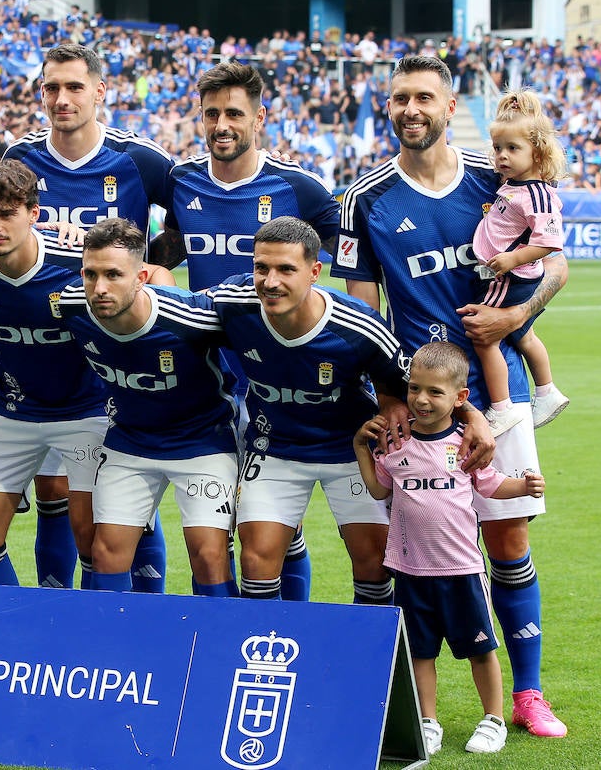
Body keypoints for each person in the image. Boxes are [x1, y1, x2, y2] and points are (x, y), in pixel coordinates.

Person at [333, 54, 568, 738]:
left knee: (508, 537)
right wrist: (389, 397)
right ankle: (419, 700)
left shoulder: (498, 177)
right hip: (422, 406)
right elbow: (362, 313)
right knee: (421, 545)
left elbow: (557, 263)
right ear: (389, 106)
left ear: (449, 105)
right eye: (400, 97)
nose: (411, 109)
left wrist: (515, 316)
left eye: (424, 97)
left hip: (498, 391)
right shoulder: (364, 198)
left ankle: (526, 695)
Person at [154, 60, 342, 599]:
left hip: (277, 380)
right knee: (216, 524)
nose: (221, 125)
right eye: (211, 113)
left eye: (234, 113)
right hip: (208, 380)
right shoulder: (182, 181)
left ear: (259, 119)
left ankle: (285, 629)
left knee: (279, 525)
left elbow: (353, 263)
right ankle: (229, 629)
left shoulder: (299, 189)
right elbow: (166, 252)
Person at [2, 42, 178, 591]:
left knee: (128, 495)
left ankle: (140, 614)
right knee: (54, 489)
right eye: (51, 87)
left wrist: (150, 270)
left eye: (74, 86)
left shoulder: (140, 159)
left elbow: (184, 224)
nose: (62, 98)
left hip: (116, 354)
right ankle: (60, 610)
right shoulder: (19, 158)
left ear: (100, 91)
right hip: (44, 349)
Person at [355, 342, 546, 756]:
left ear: (460, 397)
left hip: (461, 570)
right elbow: (378, 489)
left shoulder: (464, 444)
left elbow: (492, 486)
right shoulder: (395, 444)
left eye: (435, 392)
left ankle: (493, 719)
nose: (421, 400)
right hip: (410, 571)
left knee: (481, 650)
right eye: (414, 388)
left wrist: (524, 486)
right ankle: (427, 722)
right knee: (420, 653)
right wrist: (360, 449)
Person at [210, 218, 406, 604]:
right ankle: (267, 642)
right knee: (256, 561)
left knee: (375, 564)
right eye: (261, 267)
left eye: (286, 269)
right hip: (274, 447)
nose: (270, 281)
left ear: (315, 272)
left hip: (350, 452)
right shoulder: (233, 303)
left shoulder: (359, 326)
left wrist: (394, 403)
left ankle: (365, 645)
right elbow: (172, 312)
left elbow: (402, 385)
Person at [0, 161, 105, 588]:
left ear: (34, 213)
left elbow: (150, 277)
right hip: (15, 410)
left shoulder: (77, 260)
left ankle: (92, 625)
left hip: (88, 410)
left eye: (6, 214)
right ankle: (15, 621)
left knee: (93, 536)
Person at [58, 218, 238, 597]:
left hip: (203, 442)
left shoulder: (192, 317)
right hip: (130, 441)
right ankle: (115, 634)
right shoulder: (72, 307)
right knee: (105, 553)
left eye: (113, 275)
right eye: (90, 274)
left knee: (209, 556)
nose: (99, 288)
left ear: (141, 277)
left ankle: (219, 634)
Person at [471, 90, 570, 434]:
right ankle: (547, 391)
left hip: (510, 277)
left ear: (537, 153)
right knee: (524, 334)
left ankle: (501, 408)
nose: (502, 156)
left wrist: (512, 258)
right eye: (498, 148)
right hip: (511, 274)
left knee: (484, 336)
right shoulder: (515, 185)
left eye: (513, 149)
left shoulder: (538, 194)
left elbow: (549, 241)